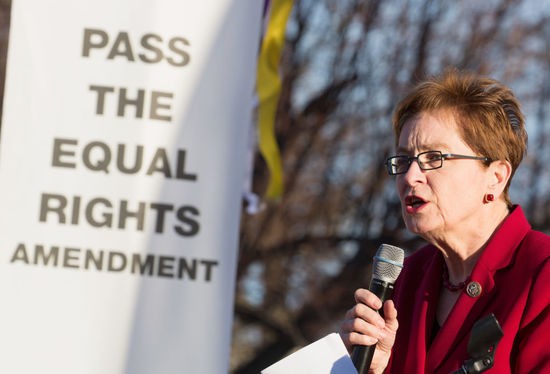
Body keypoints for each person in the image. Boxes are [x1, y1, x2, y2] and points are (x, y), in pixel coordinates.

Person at [339, 69, 550, 373]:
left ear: (495, 177)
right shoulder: (405, 280)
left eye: (433, 158)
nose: (410, 176)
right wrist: (374, 369)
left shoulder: (541, 273)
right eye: (404, 160)